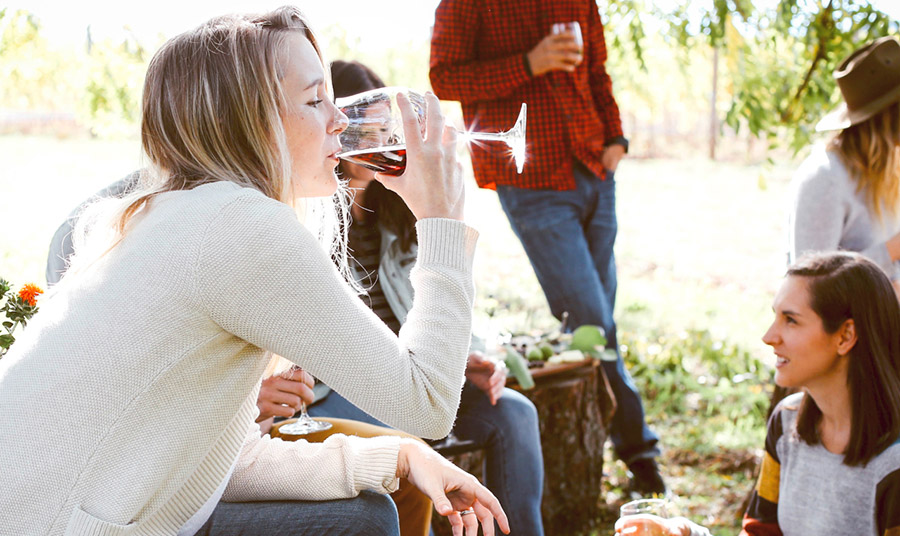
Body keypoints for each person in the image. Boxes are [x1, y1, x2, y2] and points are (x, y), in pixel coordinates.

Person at [0, 6, 510, 536]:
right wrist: (441, 219)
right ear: (247, 120)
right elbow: (425, 403)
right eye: (315, 101)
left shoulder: (170, 213)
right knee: (366, 522)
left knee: (365, 513)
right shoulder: (238, 226)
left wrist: (398, 459)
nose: (339, 121)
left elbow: (223, 461)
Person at [298, 59, 545, 535]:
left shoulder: (398, 212)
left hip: (406, 374)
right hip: (342, 391)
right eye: (365, 127)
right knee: (408, 427)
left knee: (514, 412)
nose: (380, 137)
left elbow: (438, 294)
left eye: (384, 127)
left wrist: (472, 355)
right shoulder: (306, 220)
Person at [429, 0, 664, 493]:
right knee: (594, 324)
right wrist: (528, 64)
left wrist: (615, 137)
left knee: (598, 328)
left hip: (596, 168)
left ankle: (612, 442)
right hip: (531, 179)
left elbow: (596, 69)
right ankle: (641, 455)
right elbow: (445, 79)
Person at [616, 251, 900, 536]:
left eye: (791, 320)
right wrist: (683, 533)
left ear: (845, 336)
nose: (769, 336)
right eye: (775, 316)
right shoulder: (788, 422)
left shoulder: (894, 464)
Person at [789, 36, 900, 294]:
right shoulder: (825, 178)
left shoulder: (884, 170)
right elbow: (811, 283)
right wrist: (893, 248)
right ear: (889, 116)